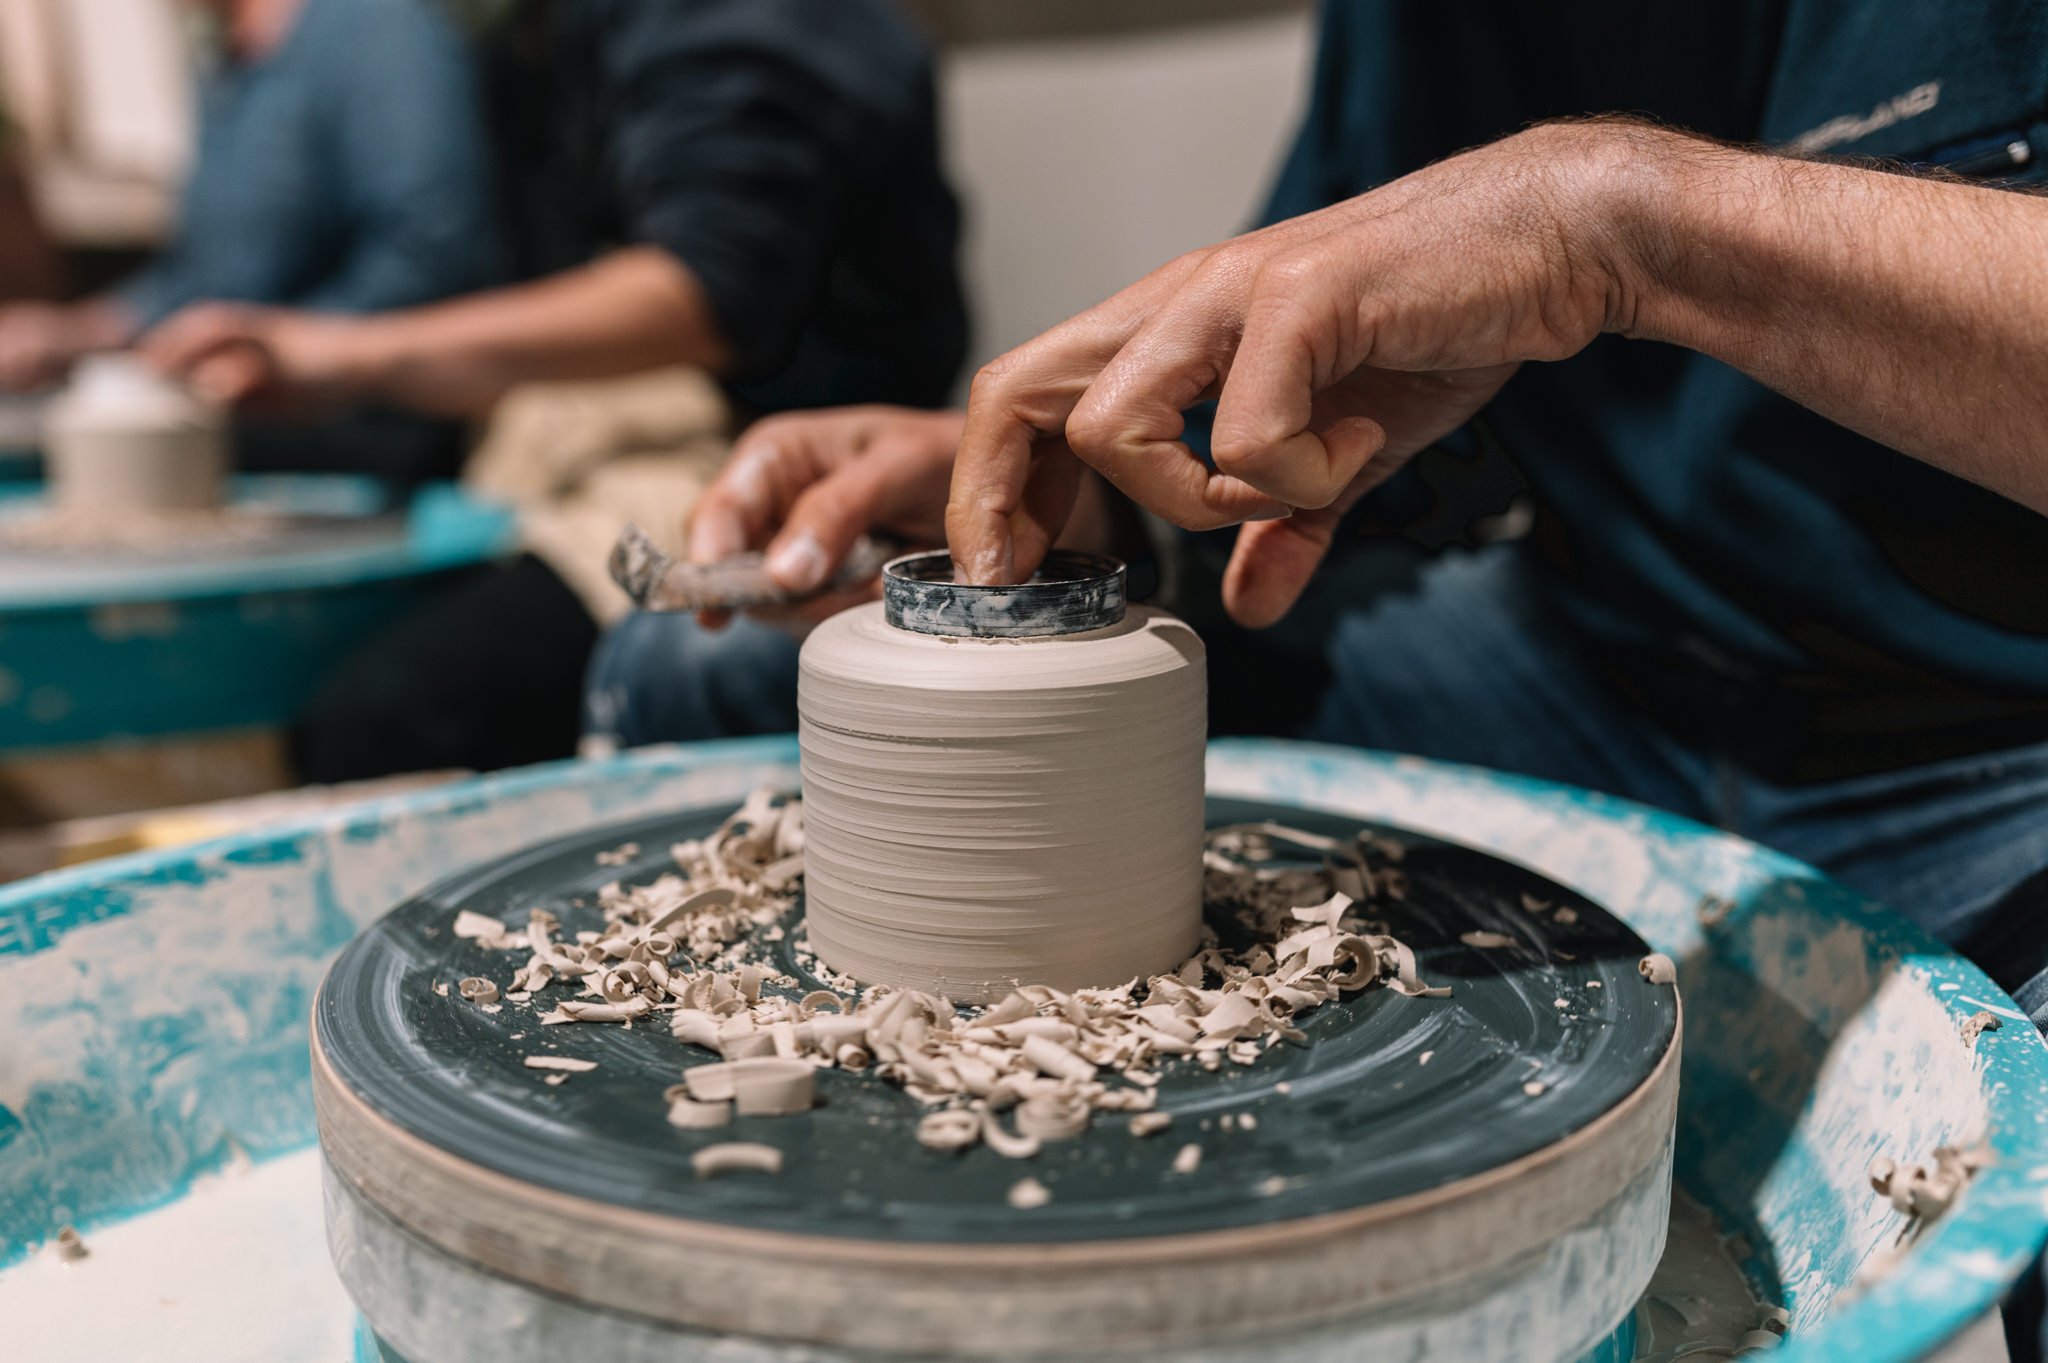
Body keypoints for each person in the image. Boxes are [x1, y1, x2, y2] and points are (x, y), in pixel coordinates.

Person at [145, 0, 970, 781]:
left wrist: (350, 354)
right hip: (579, 430)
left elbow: (716, 288)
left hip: (747, 445)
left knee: (396, 716)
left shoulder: (747, 22)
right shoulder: (546, 30)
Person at [0, 0, 496, 418]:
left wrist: (293, 351)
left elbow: (431, 250)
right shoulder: (229, 60)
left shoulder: (376, 30)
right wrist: (78, 333)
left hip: (368, 431)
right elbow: (202, 280)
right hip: (243, 420)